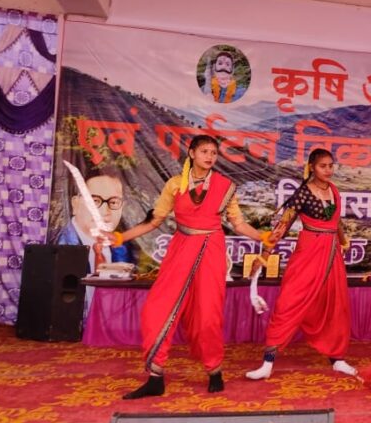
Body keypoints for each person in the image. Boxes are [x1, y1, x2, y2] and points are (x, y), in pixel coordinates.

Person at [99, 135, 271, 399]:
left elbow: (238, 224)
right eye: (204, 151)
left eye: (213, 153)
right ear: (191, 153)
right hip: (181, 250)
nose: (210, 157)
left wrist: (263, 237)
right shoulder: (175, 185)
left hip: (211, 251)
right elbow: (154, 220)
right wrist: (121, 237)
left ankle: (214, 370)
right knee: (156, 310)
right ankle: (155, 377)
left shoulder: (225, 186)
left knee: (207, 316)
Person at [246, 149, 357, 381]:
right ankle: (267, 363)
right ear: (311, 167)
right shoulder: (303, 194)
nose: (328, 170)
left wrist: (343, 242)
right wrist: (264, 256)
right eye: (322, 166)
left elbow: (335, 221)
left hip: (332, 255)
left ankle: (337, 359)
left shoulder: (334, 190)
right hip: (309, 252)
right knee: (288, 302)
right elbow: (282, 226)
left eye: (331, 165)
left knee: (334, 306)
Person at [55, 168, 133, 272]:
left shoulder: (125, 248)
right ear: (75, 204)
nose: (104, 212)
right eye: (95, 201)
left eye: (114, 202)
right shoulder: (55, 243)